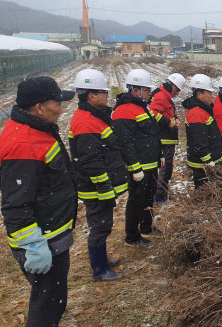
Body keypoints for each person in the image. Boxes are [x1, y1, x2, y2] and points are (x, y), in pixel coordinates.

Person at [0, 76, 77, 326]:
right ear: (38, 107)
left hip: (51, 232)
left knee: (52, 301)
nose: (61, 108)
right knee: (47, 306)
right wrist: (32, 245)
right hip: (43, 240)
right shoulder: (24, 143)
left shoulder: (35, 130)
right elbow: (15, 204)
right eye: (57, 102)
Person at [69, 69, 130, 281]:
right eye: (103, 92)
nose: (107, 96)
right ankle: (99, 269)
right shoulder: (86, 123)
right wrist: (105, 189)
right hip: (94, 188)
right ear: (91, 96)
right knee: (99, 227)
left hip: (97, 187)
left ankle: (102, 260)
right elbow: (92, 162)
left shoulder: (93, 117)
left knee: (103, 225)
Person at [112, 69, 162, 247]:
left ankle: (146, 227)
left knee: (149, 197)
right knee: (136, 200)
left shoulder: (142, 107)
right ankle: (132, 236)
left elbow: (152, 134)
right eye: (147, 90)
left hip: (150, 164)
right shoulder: (124, 110)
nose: (150, 94)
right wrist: (135, 167)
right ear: (135, 90)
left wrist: (159, 155)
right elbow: (125, 143)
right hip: (139, 167)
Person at [182, 74, 222, 188]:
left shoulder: (202, 109)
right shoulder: (196, 113)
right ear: (199, 94)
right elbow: (199, 141)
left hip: (205, 162)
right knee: (203, 190)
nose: (211, 95)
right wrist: (208, 160)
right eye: (208, 93)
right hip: (202, 164)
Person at [149, 73, 185, 203]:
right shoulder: (160, 96)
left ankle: (161, 194)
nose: (177, 93)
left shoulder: (165, 96)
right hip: (164, 139)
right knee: (165, 170)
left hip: (167, 138)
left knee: (166, 169)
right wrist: (167, 122)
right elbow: (152, 113)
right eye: (177, 90)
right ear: (171, 85)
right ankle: (159, 196)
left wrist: (176, 119)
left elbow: (169, 112)